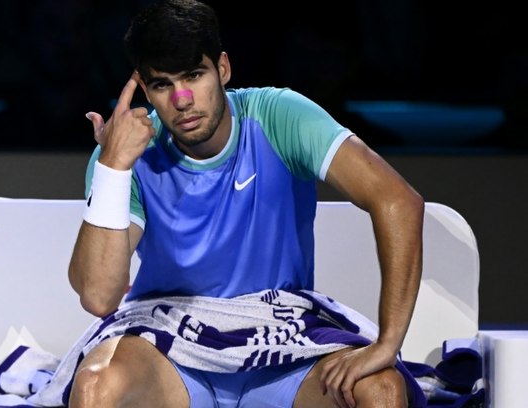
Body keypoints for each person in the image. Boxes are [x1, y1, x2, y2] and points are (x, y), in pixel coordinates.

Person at [67, 0, 426, 407]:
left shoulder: (278, 117)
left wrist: (388, 341)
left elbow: (399, 201)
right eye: (163, 84)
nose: (182, 99)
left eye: (194, 76)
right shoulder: (125, 152)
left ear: (222, 69)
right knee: (97, 387)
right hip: (170, 344)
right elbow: (99, 297)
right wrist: (113, 165)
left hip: (280, 339)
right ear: (144, 89)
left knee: (380, 390)